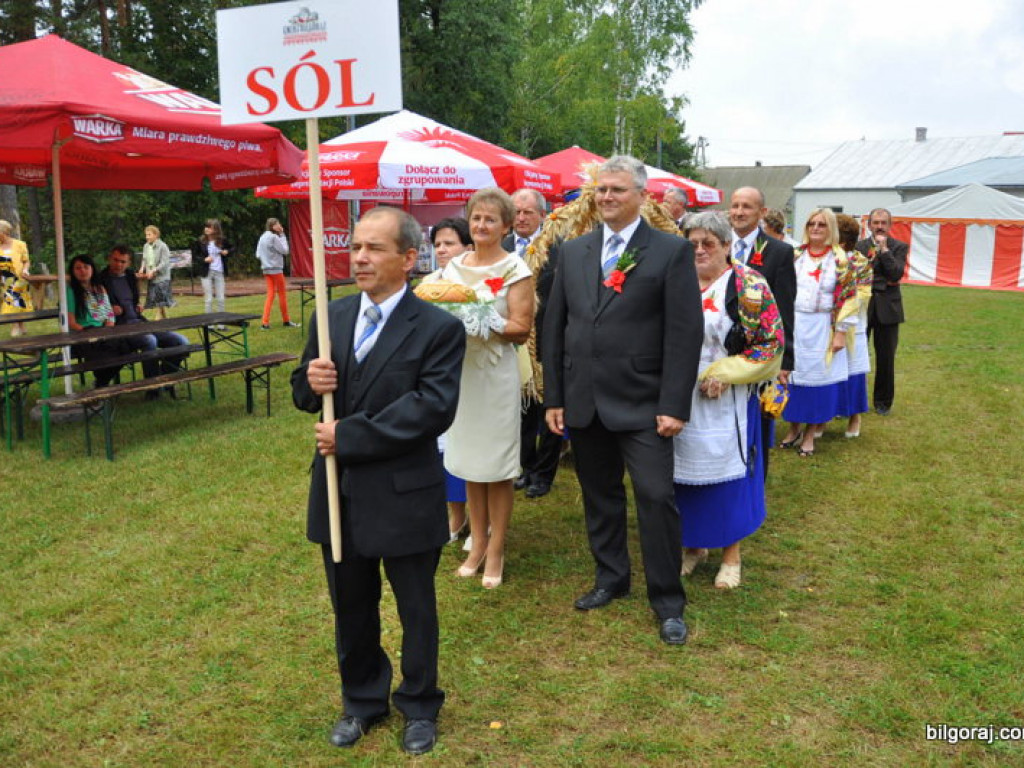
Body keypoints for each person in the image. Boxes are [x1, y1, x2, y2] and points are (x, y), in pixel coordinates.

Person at [290, 206, 465, 756]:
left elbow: (431, 407)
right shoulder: (330, 317)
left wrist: (352, 436)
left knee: (416, 607)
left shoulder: (439, 328)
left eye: (374, 248)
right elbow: (304, 393)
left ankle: (419, 704)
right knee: (351, 604)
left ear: (409, 259)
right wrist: (309, 378)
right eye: (356, 246)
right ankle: (362, 700)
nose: (359, 257)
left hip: (404, 492)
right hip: (339, 492)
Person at [543, 155, 703, 645]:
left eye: (617, 189)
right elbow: (554, 326)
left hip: (643, 402)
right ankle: (611, 577)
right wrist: (555, 395)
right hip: (585, 399)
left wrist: (674, 404)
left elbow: (684, 333)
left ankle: (668, 600)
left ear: (641, 195)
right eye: (601, 190)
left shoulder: (670, 252)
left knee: (655, 498)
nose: (607, 197)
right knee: (600, 495)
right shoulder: (573, 251)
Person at [673, 212, 784, 589]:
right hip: (681, 394)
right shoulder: (678, 280)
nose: (700, 250)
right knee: (683, 477)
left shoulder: (748, 285)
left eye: (709, 243)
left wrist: (724, 374)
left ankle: (731, 554)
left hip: (728, 399)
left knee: (726, 477)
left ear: (725, 245)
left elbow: (770, 344)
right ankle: (693, 546)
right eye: (693, 244)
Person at [440, 188, 535, 589]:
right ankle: (476, 541)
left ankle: (496, 547)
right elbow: (436, 303)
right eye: (476, 218)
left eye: (490, 219)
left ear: (506, 226)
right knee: (469, 464)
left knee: (495, 468)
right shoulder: (453, 266)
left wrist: (482, 317)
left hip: (495, 376)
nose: (481, 225)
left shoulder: (516, 269)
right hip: (460, 374)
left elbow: (520, 330)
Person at [728, 187, 796, 478]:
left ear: (762, 213)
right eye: (735, 206)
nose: (739, 212)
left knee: (760, 418)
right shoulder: (714, 245)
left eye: (747, 207)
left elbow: (784, 309)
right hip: (720, 348)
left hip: (760, 350)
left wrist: (785, 361)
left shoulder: (779, 252)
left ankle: (757, 481)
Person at [779, 208, 857, 456]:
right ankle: (793, 428)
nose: (815, 228)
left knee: (818, 381)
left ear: (830, 228)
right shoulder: (794, 255)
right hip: (794, 324)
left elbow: (849, 298)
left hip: (823, 325)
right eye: (811, 223)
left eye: (822, 224)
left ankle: (811, 433)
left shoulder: (841, 260)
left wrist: (841, 332)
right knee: (790, 376)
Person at [504, 187, 561, 499]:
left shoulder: (558, 248)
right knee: (521, 407)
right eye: (516, 212)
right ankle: (525, 467)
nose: (521, 217)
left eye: (527, 212)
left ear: (542, 214)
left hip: (549, 339)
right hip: (514, 341)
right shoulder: (503, 246)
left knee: (549, 405)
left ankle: (544, 473)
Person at [427, 217, 473, 540]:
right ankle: (456, 515)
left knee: (472, 448)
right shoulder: (427, 284)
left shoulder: (479, 283)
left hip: (473, 376)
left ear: (468, 247)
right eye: (438, 244)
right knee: (444, 448)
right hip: (438, 378)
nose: (442, 250)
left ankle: (481, 518)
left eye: (450, 243)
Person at [100, 245, 190, 399]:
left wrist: (137, 306)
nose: (118, 264)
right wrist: (108, 309)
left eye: (123, 262)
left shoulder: (129, 275)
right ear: (109, 258)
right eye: (115, 260)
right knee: (149, 340)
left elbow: (132, 299)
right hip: (119, 326)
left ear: (128, 263)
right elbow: (94, 306)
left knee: (181, 341)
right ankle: (152, 388)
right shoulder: (100, 279)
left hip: (139, 321)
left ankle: (164, 379)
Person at [855, 208, 908, 415]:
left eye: (883, 223)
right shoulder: (860, 247)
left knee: (886, 357)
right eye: (875, 222)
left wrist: (885, 251)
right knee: (856, 354)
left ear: (890, 225)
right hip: (862, 306)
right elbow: (860, 273)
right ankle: (854, 400)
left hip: (889, 308)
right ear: (869, 225)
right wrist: (883, 279)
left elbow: (895, 273)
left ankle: (883, 402)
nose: (879, 226)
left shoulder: (898, 247)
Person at [836, 214, 872, 438]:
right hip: (826, 324)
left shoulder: (860, 262)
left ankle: (854, 417)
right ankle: (825, 417)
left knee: (853, 372)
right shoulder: (823, 258)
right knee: (830, 372)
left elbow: (861, 294)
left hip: (852, 324)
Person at [66, 254, 123, 387]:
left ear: (92, 269)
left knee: (124, 349)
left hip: (104, 331)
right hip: (84, 335)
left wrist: (108, 327)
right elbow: (72, 323)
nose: (82, 271)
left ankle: (100, 384)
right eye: (78, 268)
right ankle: (101, 385)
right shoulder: (71, 291)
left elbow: (109, 314)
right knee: (100, 357)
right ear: (73, 272)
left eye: (86, 267)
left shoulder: (100, 288)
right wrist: (89, 333)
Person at [256, 217, 298, 330]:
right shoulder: (274, 237)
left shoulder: (262, 237)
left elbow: (258, 254)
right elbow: (285, 251)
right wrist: (282, 235)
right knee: (282, 295)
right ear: (273, 226)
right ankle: (286, 320)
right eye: (277, 224)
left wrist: (266, 260)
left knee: (270, 294)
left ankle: (265, 322)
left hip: (266, 269)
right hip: (276, 269)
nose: (279, 225)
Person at [190, 218, 234, 325]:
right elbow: (194, 256)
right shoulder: (200, 241)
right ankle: (209, 324)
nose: (207, 229)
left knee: (221, 298)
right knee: (208, 299)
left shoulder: (222, 240)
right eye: (206, 227)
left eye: (209, 227)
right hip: (206, 272)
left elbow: (233, 248)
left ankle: (221, 324)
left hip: (219, 271)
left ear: (215, 229)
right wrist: (204, 259)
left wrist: (226, 251)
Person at [0, 219, 34, 336]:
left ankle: (18, 325)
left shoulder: (20, 244)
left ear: (4, 232)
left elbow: (26, 261)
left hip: (19, 277)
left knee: (17, 300)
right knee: (13, 300)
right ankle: (18, 325)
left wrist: (25, 270)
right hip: (5, 279)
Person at [138, 225, 174, 319]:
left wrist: (155, 270)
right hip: (151, 276)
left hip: (162, 277)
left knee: (159, 300)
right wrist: (142, 268)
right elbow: (145, 259)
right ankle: (165, 319)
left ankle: (157, 321)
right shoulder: (146, 246)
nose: (147, 237)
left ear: (156, 235)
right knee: (158, 301)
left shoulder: (163, 246)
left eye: (149, 235)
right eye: (146, 235)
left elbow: (164, 262)